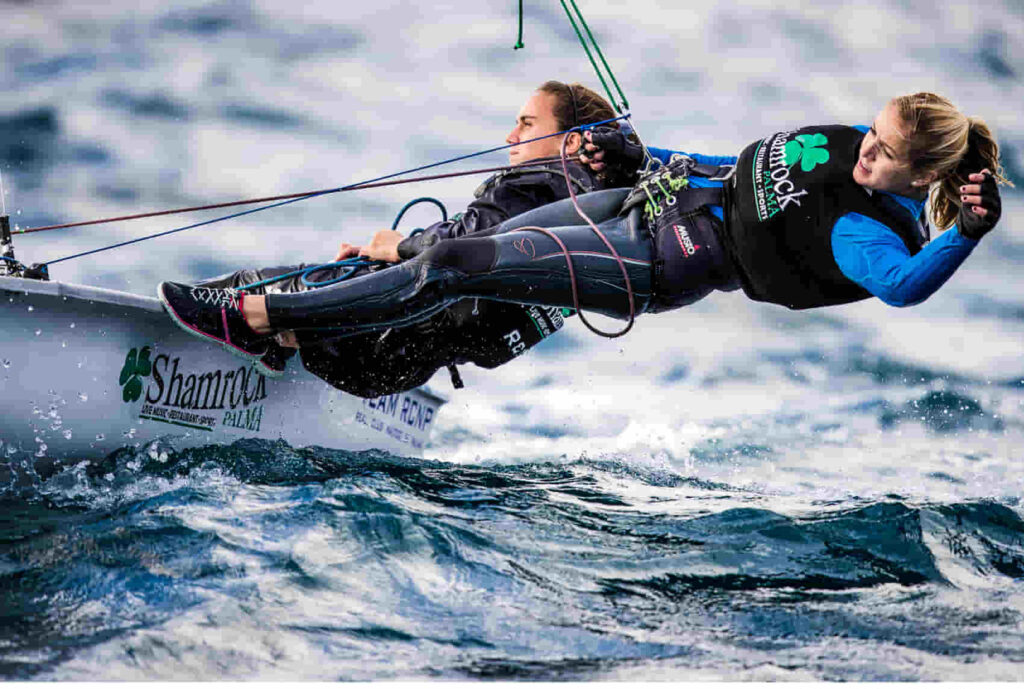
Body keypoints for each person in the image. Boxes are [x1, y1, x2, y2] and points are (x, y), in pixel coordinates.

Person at [158, 92, 1008, 373]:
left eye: (885, 153)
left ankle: (262, 319)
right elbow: (734, 167)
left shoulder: (866, 230)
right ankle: (304, 327)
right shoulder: (845, 146)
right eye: (872, 132)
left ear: (921, 178)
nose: (866, 151)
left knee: (455, 262)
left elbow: (902, 288)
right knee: (462, 248)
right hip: (642, 205)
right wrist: (642, 154)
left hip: (653, 263)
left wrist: (964, 235)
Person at [189, 81, 625, 396]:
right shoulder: (596, 215)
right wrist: (390, 255)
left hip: (370, 335)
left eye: (527, 125)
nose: (511, 137)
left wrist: (395, 247)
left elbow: (463, 243)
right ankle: (276, 345)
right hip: (402, 367)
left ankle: (200, 334)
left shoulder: (539, 185)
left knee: (245, 286)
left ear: (570, 142)